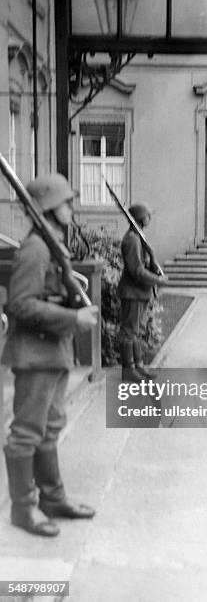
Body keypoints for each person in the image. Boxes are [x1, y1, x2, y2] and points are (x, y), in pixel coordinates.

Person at [1, 174, 99, 537]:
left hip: (53, 352)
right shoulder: (35, 250)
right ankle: (23, 509)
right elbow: (20, 305)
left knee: (50, 428)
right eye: (66, 202)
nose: (72, 208)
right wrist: (73, 317)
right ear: (47, 207)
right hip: (34, 355)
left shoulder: (51, 245)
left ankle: (53, 498)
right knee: (26, 433)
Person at [118, 203, 168, 381]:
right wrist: (158, 280)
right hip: (133, 292)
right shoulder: (132, 239)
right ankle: (128, 369)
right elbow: (136, 270)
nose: (150, 218)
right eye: (147, 215)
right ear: (140, 217)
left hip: (139, 292)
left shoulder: (138, 237)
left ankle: (138, 365)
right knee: (129, 332)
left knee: (137, 331)